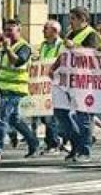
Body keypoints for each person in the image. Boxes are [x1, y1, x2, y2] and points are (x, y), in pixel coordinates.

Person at [0, 20, 40, 162]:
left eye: (11, 30)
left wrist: (8, 49)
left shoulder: (24, 47)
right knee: (15, 120)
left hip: (15, 90)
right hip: (3, 89)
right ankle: (33, 143)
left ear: (19, 31)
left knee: (1, 119)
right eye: (6, 30)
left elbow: (17, 62)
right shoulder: (4, 46)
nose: (8, 33)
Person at [50, 6, 101, 163]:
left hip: (84, 82)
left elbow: (94, 55)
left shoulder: (92, 35)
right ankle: (76, 145)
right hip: (66, 81)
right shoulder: (70, 34)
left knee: (83, 117)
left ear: (82, 19)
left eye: (73, 18)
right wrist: (53, 67)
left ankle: (84, 150)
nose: (70, 22)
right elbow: (63, 54)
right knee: (60, 112)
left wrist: (75, 47)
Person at [34, 20, 64, 155]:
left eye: (46, 28)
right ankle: (57, 141)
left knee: (50, 116)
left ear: (55, 31)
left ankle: (53, 144)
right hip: (43, 85)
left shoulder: (61, 45)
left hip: (56, 84)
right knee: (44, 115)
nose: (43, 31)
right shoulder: (44, 45)